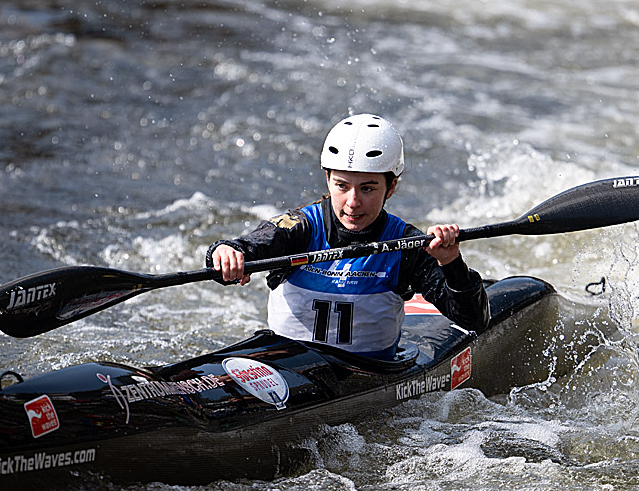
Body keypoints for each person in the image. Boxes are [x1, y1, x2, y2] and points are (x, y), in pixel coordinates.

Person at [207, 114, 489, 360]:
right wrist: (226, 252)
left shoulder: (406, 245)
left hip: (369, 373)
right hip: (288, 367)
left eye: (367, 189)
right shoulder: (299, 228)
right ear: (327, 179)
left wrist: (451, 263)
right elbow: (248, 246)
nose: (352, 202)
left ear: (391, 188)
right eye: (341, 186)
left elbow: (474, 320)